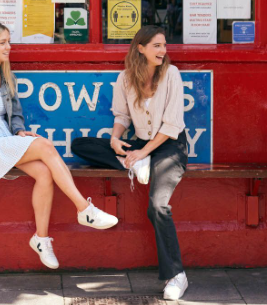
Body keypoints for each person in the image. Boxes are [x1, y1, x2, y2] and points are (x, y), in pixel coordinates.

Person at [0, 22, 118, 270]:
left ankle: (41, 239)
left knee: (44, 172)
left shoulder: (7, 77)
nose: (9, 47)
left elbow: (15, 114)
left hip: (4, 138)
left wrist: (18, 130)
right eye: (2, 42)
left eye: (9, 41)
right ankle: (85, 209)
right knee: (46, 146)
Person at [71, 25, 189, 300]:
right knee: (80, 144)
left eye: (164, 45)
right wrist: (115, 139)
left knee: (158, 206)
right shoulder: (125, 78)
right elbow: (122, 116)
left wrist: (144, 152)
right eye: (156, 46)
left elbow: (172, 125)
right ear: (141, 48)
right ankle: (132, 164)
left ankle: (177, 275)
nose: (163, 50)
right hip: (139, 148)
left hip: (169, 146)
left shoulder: (171, 74)